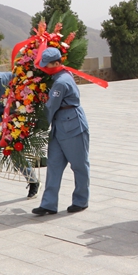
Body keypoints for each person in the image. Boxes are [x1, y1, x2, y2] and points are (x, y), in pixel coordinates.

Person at [0, 58, 39, 209]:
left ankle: (33, 182)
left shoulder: (11, 77)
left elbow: (22, 96)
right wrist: (0, 127)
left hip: (14, 123)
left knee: (16, 156)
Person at [33, 48, 90, 215]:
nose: (45, 68)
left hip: (72, 127)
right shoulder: (60, 76)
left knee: (79, 165)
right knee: (54, 165)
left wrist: (38, 125)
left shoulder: (61, 82)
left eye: (48, 65)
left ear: (57, 63)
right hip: (59, 127)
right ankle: (48, 204)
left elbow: (51, 107)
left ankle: (81, 200)